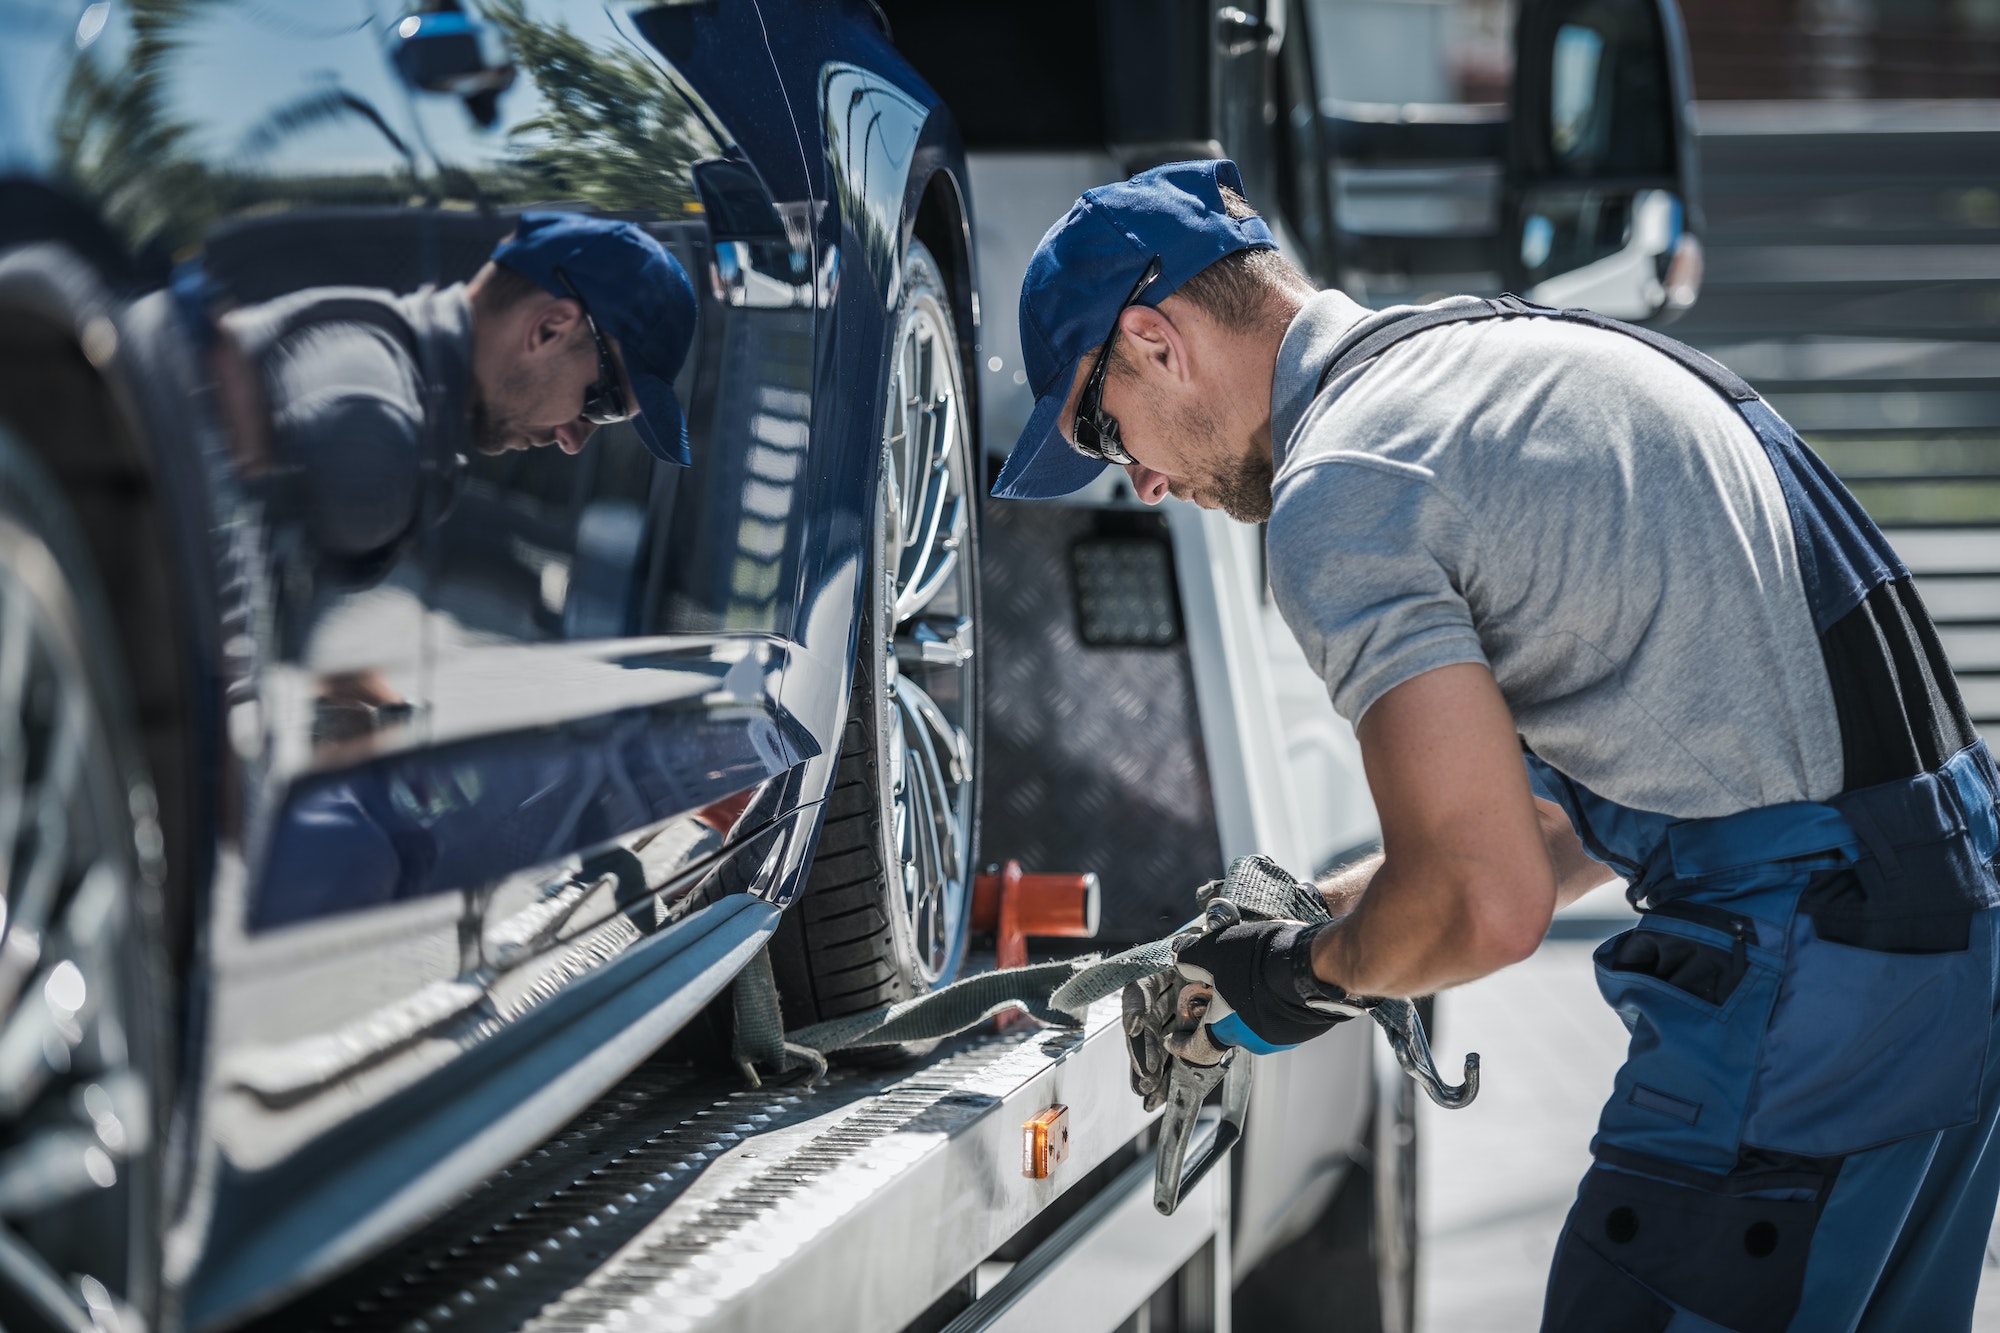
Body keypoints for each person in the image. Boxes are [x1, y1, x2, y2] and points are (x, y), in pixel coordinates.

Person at [994, 159, 2000, 1332]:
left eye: (1104, 432)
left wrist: (1291, 980)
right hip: (1947, 949)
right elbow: (1577, 812)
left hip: (1803, 999)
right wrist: (1311, 918)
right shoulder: (1509, 357)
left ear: (1154, 340)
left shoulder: (1343, 488)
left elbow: (1484, 901)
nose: (1147, 480)